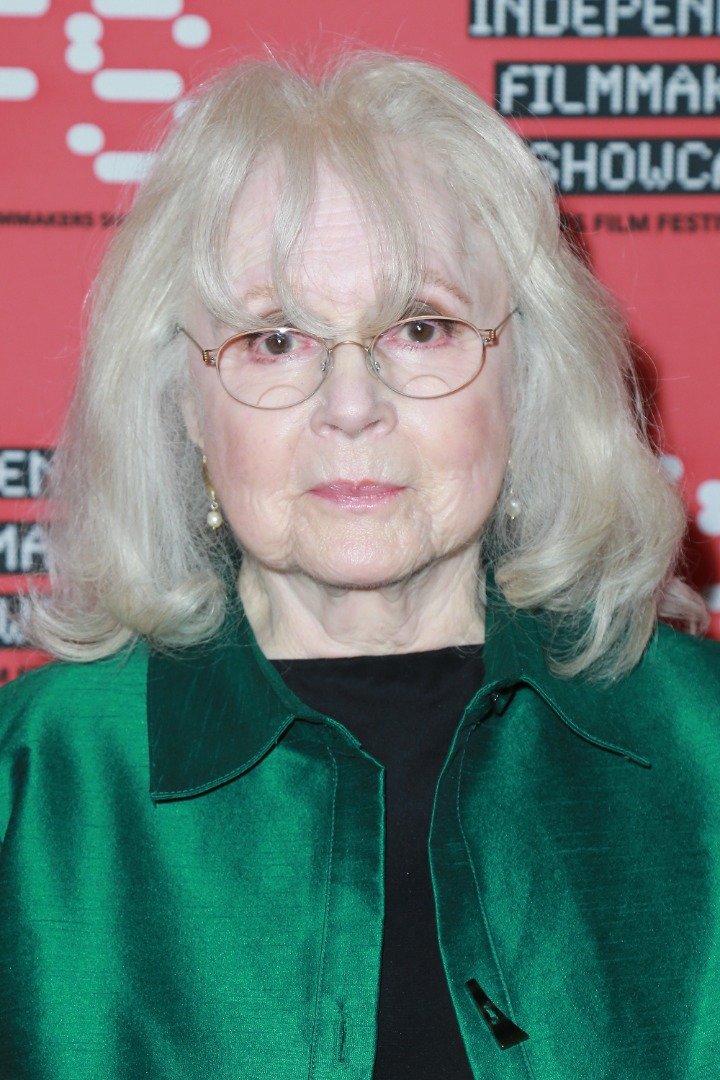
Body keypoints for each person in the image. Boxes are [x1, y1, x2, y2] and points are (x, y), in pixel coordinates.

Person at [0, 50, 718, 1080]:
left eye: (420, 328)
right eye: (274, 339)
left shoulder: (705, 757)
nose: (351, 406)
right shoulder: (32, 789)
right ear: (184, 407)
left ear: (525, 382)